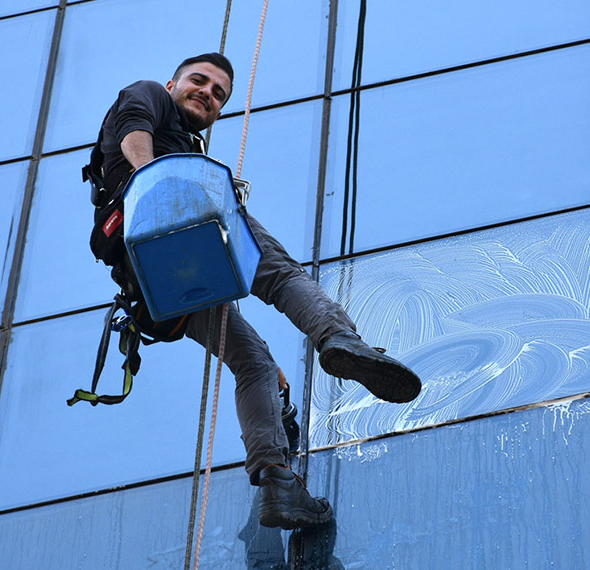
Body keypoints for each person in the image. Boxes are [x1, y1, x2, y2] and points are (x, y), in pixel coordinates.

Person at [91, 52, 421, 529]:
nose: (207, 93)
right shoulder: (148, 95)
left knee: (256, 364)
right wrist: (155, 183)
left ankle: (277, 483)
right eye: (198, 82)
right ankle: (338, 338)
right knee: (282, 276)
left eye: (218, 94)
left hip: (156, 278)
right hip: (175, 216)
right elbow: (133, 131)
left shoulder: (186, 141)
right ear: (172, 83)